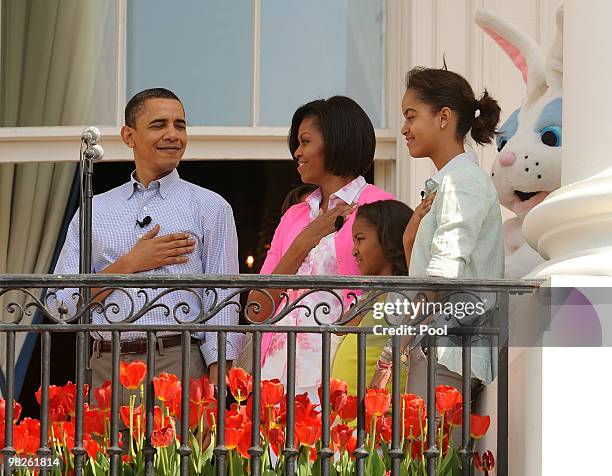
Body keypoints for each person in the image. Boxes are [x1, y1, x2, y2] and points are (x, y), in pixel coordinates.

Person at [51, 88, 242, 390]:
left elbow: (222, 300)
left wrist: (219, 381)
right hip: (107, 365)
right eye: (159, 125)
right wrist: (128, 264)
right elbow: (61, 304)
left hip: (181, 361)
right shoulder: (94, 210)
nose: (173, 134)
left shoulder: (210, 206)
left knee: (181, 440)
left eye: (180, 125)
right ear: (129, 136)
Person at [246, 96, 394, 400]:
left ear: (336, 140)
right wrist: (305, 239)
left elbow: (386, 297)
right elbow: (257, 307)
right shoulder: (294, 216)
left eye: (305, 141)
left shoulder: (380, 207)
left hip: (340, 376)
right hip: (275, 376)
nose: (297, 152)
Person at [371, 67, 504, 396]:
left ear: (443, 117)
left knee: (433, 449)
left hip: (448, 353)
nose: (404, 129)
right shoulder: (449, 184)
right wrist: (409, 242)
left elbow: (440, 279)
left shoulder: (463, 183)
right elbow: (433, 279)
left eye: (411, 116)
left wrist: (389, 357)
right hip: (437, 349)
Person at [330, 200, 414, 395]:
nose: (354, 251)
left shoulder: (402, 297)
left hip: (378, 419)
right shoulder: (369, 298)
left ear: (389, 240)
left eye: (360, 239)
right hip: (346, 419)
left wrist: (409, 238)